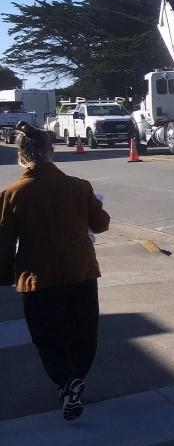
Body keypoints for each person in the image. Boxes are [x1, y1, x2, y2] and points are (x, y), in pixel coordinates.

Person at [0, 123, 110, 421]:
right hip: (81, 271)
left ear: (21, 156)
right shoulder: (79, 186)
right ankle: (75, 380)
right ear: (52, 152)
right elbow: (99, 225)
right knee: (83, 332)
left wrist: (6, 277)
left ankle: (66, 381)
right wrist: (97, 207)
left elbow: (4, 242)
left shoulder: (11, 193)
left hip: (38, 277)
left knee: (48, 336)